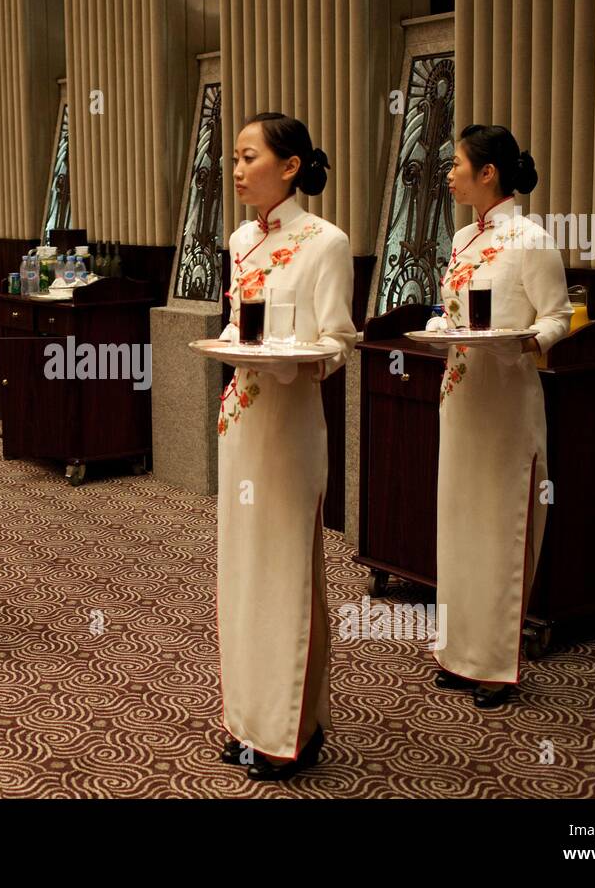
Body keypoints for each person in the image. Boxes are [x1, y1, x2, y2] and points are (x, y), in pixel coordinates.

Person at [216, 113, 355, 781]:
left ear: (290, 166)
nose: (238, 170)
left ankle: (293, 728)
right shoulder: (240, 238)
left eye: (249, 157)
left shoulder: (325, 242)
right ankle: (245, 717)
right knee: (241, 571)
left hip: (292, 428)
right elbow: (233, 327)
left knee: (286, 572)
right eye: (235, 159)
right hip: (241, 421)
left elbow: (338, 343)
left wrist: (287, 358)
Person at [433, 124, 572, 708]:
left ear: (488, 173)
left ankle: (493, 663)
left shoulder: (532, 239)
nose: (448, 173)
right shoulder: (464, 237)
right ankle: (458, 652)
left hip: (508, 404)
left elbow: (560, 318)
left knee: (501, 527)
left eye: (456, 164)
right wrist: (442, 326)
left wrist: (521, 343)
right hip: (460, 397)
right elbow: (452, 313)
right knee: (459, 524)